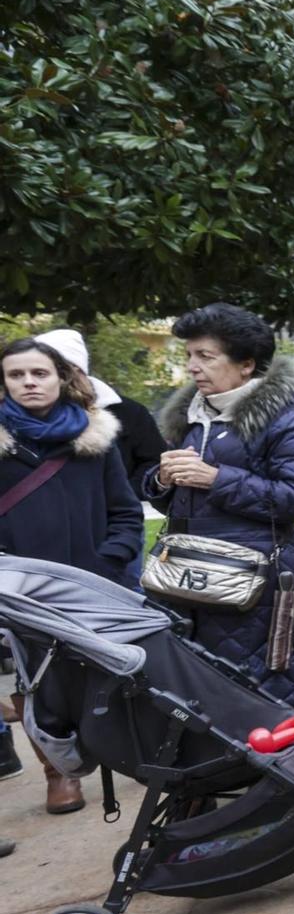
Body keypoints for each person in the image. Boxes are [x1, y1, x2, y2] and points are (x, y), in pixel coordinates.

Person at [149, 303, 294, 709]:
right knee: (199, 691)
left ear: (246, 364)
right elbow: (176, 500)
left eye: (205, 356)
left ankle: (284, 766)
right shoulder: (190, 419)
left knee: (260, 697)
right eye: (189, 356)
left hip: (256, 583)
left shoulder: (286, 419)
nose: (192, 367)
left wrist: (216, 478)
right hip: (189, 577)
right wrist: (162, 479)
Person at [0, 337, 145, 813]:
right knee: (37, 681)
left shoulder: (95, 440)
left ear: (61, 377)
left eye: (38, 373)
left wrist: (109, 561)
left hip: (95, 585)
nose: (28, 382)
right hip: (21, 593)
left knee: (117, 670)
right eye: (16, 375)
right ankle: (59, 772)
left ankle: (140, 754)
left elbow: (126, 513)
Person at [37, 328, 167, 505]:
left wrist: (122, 495)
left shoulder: (129, 412)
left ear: (76, 370)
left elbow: (153, 461)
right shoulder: (22, 413)